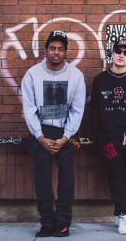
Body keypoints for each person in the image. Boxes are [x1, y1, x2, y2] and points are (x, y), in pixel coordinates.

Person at [22, 30, 86, 237]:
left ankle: (63, 221)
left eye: (60, 49)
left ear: (66, 52)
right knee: (42, 173)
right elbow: (29, 108)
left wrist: (65, 137)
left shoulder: (76, 76)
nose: (56, 53)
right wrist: (40, 137)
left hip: (66, 130)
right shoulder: (32, 74)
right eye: (52, 48)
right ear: (46, 50)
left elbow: (77, 110)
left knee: (67, 173)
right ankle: (47, 221)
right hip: (40, 130)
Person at [91, 39, 126, 235]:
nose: (121, 55)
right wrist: (100, 138)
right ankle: (125, 215)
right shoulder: (100, 80)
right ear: (111, 54)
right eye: (118, 51)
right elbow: (95, 112)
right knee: (116, 172)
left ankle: (124, 210)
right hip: (110, 137)